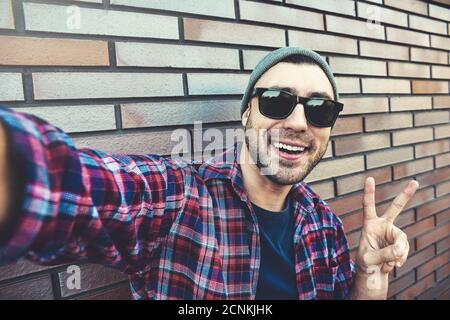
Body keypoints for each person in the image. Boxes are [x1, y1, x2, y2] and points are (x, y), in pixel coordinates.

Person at [0, 47, 418, 300]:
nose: (297, 121)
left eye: (319, 108)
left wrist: (367, 277)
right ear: (246, 113)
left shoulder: (322, 223)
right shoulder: (180, 198)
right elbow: (74, 184)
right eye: (276, 101)